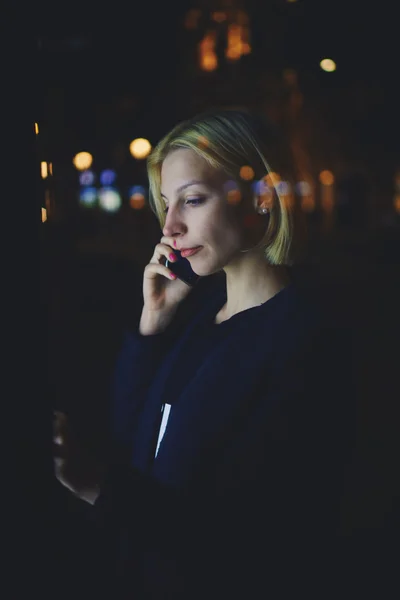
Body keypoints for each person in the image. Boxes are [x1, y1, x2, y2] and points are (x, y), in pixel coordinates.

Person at [54, 108, 356, 599]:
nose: (170, 225)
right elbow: (133, 445)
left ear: (260, 197)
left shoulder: (305, 341)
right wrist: (151, 329)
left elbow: (247, 542)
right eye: (166, 204)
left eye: (192, 200)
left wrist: (97, 487)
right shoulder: (200, 316)